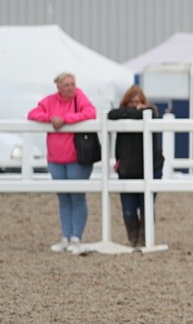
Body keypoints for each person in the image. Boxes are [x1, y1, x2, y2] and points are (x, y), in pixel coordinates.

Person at [27, 72, 96, 253]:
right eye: (66, 84)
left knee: (77, 197)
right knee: (63, 198)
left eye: (72, 83)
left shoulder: (79, 97)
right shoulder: (50, 100)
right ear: (58, 86)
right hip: (55, 158)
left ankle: (76, 237)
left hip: (77, 158)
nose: (70, 87)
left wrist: (65, 120)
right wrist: (51, 118)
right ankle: (65, 236)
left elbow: (90, 112)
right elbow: (33, 114)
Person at [108, 85, 164, 248]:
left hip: (151, 167)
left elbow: (151, 112)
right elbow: (111, 115)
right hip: (127, 168)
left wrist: (139, 112)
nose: (134, 105)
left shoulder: (150, 113)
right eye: (131, 102)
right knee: (129, 209)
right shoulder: (121, 115)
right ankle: (133, 240)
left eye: (137, 102)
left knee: (146, 206)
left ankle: (145, 239)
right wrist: (136, 112)